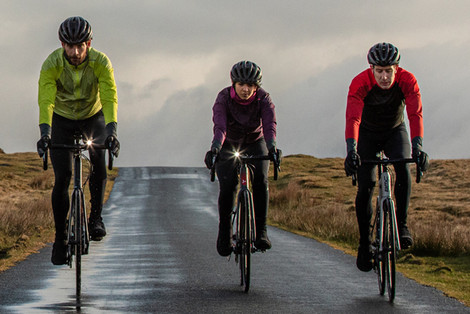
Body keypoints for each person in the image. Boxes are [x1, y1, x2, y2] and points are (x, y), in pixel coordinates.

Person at [36, 16, 120, 265]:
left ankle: (96, 218)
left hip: (92, 117)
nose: (75, 52)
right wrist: (45, 133)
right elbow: (46, 100)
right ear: (62, 44)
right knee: (62, 178)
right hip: (61, 119)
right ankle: (60, 238)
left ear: (89, 43)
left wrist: (112, 130)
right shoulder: (52, 63)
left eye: (80, 46)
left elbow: (109, 95)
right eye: (69, 46)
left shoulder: (101, 62)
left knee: (98, 158)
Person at [344, 42, 429, 272]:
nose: (383, 76)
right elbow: (352, 118)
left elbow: (415, 113)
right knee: (366, 185)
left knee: (402, 167)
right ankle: (365, 244)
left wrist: (418, 147)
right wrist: (351, 150)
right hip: (367, 134)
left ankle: (401, 226)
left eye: (388, 71)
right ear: (371, 69)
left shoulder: (407, 80)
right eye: (379, 71)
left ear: (397, 68)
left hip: (395, 130)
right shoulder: (360, 82)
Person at [204, 61, 280, 256]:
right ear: (233, 84)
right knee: (228, 187)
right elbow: (220, 126)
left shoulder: (264, 99)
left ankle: (261, 232)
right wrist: (215, 148)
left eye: (251, 85)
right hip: (229, 142)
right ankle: (224, 233)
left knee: (261, 181)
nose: (246, 89)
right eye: (241, 85)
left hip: (255, 141)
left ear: (257, 86)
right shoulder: (223, 98)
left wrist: (272, 147)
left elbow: (269, 124)